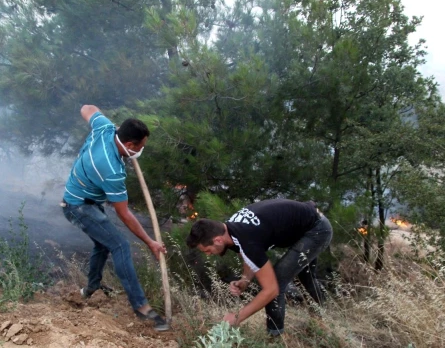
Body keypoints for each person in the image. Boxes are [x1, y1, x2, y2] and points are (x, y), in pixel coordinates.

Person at [62, 105, 169, 331]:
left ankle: (90, 290)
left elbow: (87, 108)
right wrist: (150, 242)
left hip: (85, 197)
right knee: (120, 245)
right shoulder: (111, 169)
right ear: (129, 145)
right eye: (140, 147)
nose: (140, 151)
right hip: (78, 206)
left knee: (103, 244)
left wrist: (112, 125)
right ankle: (141, 307)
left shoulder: (105, 127)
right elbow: (124, 213)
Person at [186, 199, 332, 335]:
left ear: (217, 240)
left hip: (316, 230)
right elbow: (246, 253)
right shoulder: (230, 229)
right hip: (307, 224)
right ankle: (319, 324)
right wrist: (245, 279)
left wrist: (237, 317)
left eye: (207, 250)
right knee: (305, 277)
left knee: (278, 279)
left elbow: (271, 290)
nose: (208, 255)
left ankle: (275, 338)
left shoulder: (246, 239)